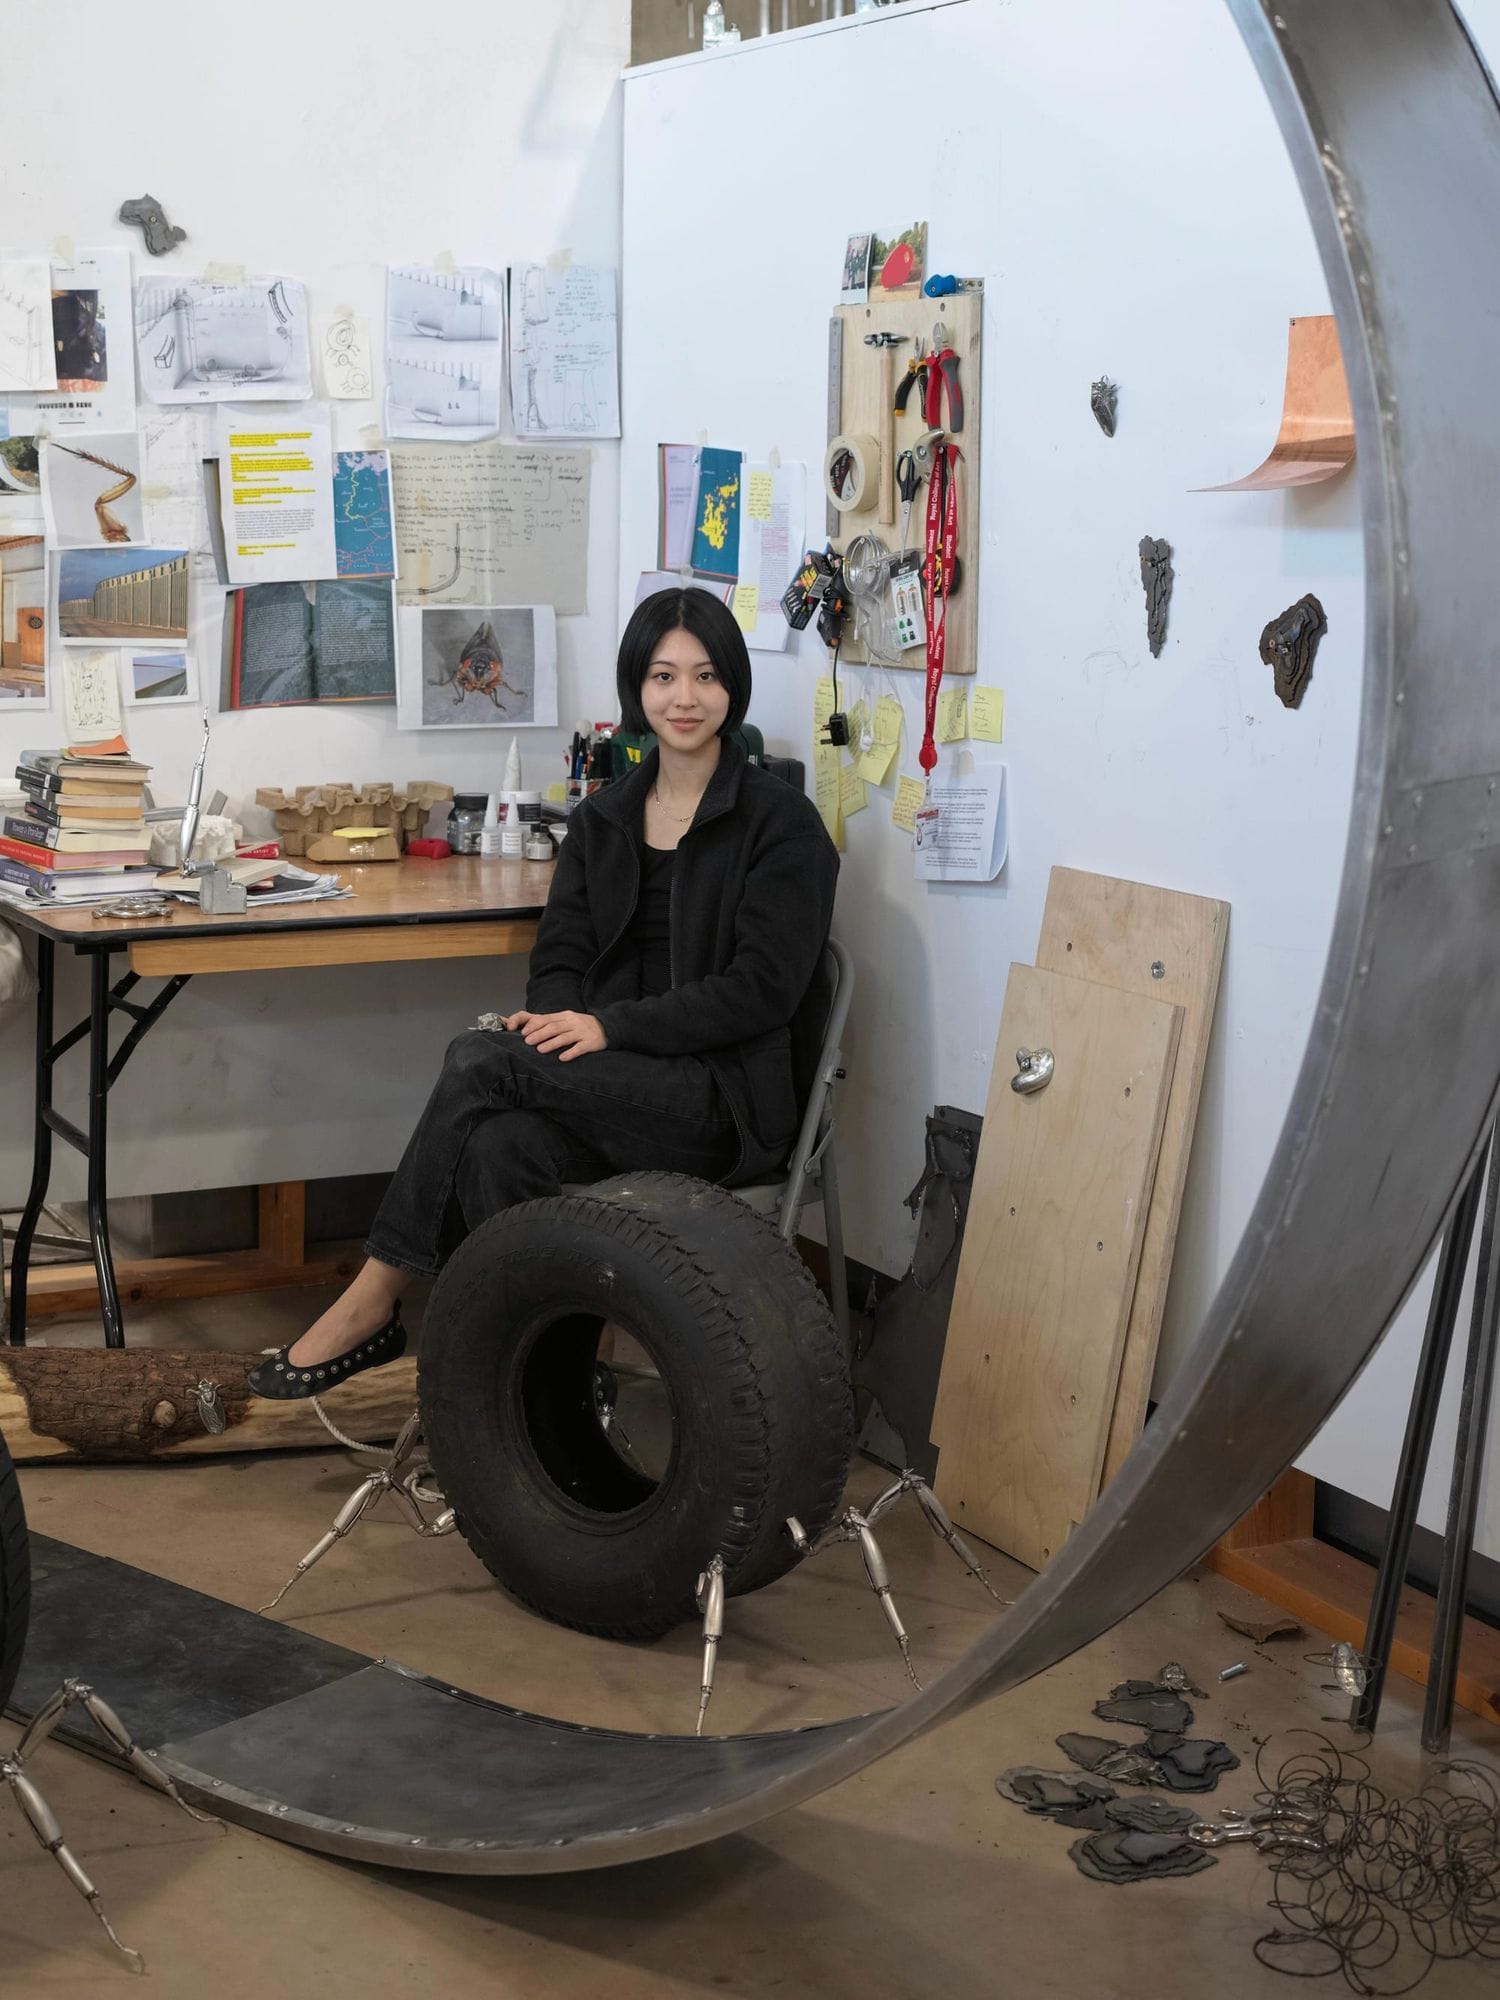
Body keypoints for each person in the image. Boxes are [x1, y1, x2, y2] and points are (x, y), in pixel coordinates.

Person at [248, 587, 840, 1399]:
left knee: (481, 1058)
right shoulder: (606, 820)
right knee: (499, 1146)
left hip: (723, 1102)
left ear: (732, 686)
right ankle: (546, 1387)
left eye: (705, 677)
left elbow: (761, 993)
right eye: (664, 677)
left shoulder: (781, 824)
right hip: (623, 1092)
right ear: (637, 688)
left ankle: (374, 1298)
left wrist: (606, 1029)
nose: (685, 698)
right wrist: (566, 1021)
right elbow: (558, 960)